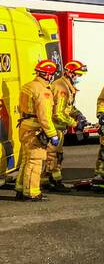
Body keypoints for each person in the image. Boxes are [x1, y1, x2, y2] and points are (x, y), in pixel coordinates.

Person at [15, 60, 61, 201]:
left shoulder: (28, 86)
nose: (52, 77)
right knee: (35, 161)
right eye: (52, 74)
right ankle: (32, 193)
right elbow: (44, 116)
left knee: (26, 160)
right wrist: (52, 134)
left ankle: (21, 189)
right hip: (34, 128)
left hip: (25, 126)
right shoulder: (43, 91)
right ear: (47, 75)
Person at [45, 60, 88, 192]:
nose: (78, 78)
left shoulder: (66, 85)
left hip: (59, 128)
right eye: (77, 75)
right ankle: (54, 182)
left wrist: (78, 114)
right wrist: (75, 124)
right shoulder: (61, 87)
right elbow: (58, 113)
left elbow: (67, 107)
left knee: (57, 155)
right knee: (53, 156)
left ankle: (48, 180)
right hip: (55, 127)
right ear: (69, 73)